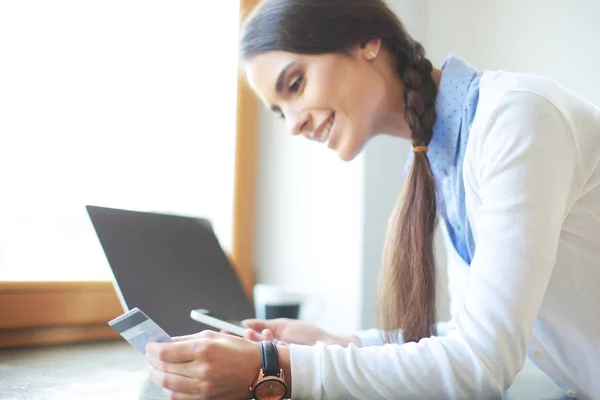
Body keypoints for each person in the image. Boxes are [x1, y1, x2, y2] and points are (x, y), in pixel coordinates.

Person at [144, 0, 600, 398]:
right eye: (280, 111)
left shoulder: (515, 120)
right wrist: (339, 343)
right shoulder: (439, 158)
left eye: (296, 84)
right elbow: (472, 335)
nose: (293, 125)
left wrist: (275, 367)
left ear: (366, 40)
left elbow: (481, 365)